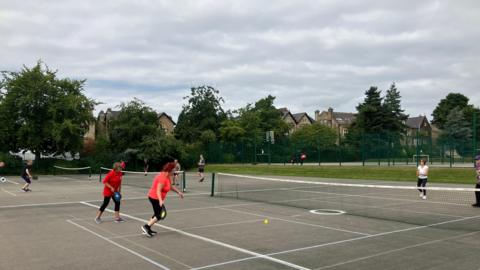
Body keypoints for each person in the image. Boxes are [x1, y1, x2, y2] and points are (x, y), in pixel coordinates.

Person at [141, 157, 184, 237]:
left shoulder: (167, 176)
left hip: (157, 198)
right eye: (174, 169)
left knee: (157, 214)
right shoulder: (162, 177)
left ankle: (148, 228)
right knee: (160, 214)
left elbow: (170, 186)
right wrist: (160, 200)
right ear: (170, 169)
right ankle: (146, 227)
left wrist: (179, 192)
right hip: (154, 197)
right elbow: (158, 190)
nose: (175, 171)